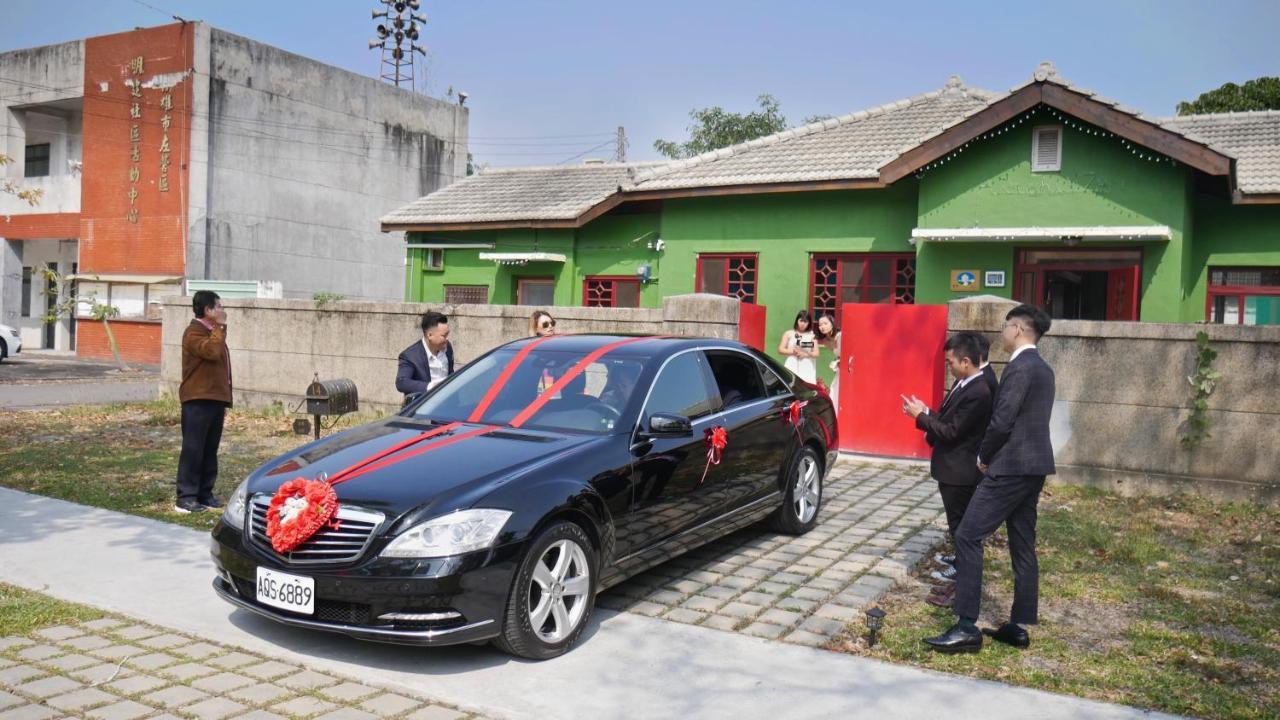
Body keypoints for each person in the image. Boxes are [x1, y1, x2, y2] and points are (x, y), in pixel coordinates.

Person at [924, 305, 1055, 654]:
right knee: (1022, 544)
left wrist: (984, 457)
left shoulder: (1018, 368)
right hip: (1036, 467)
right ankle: (1019, 625)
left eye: (1005, 326)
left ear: (1018, 329)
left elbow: (1002, 421)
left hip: (1009, 468)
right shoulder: (1044, 369)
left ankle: (966, 624)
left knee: (967, 535)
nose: (1002, 332)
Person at [901, 332, 994, 608]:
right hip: (952, 468)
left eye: (951, 362)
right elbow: (949, 418)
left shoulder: (979, 391)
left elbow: (952, 432)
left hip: (960, 470)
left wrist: (920, 418)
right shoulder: (965, 383)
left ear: (966, 361)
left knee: (961, 531)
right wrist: (926, 412)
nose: (949, 366)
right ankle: (959, 586)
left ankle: (961, 591)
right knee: (958, 529)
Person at [176, 291, 232, 514]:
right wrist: (220, 327)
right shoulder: (194, 332)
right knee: (193, 449)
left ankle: (205, 494)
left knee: (210, 449)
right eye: (218, 306)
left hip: (215, 399)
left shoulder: (210, 332)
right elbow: (211, 351)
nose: (222, 310)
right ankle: (186, 497)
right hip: (197, 399)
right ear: (208, 310)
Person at [396, 311, 454, 400]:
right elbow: (402, 382)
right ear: (430, 335)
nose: (447, 339)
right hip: (424, 407)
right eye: (444, 335)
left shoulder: (447, 347)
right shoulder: (411, 356)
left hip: (447, 404)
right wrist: (431, 386)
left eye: (447, 334)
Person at [778, 310, 818, 384]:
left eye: (805, 321)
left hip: (807, 366)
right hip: (791, 364)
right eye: (801, 320)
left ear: (809, 323)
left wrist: (805, 354)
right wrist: (793, 351)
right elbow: (780, 349)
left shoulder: (812, 336)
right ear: (797, 320)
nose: (803, 324)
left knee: (807, 387)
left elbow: (816, 353)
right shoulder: (789, 333)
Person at [816, 314, 842, 411]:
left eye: (825, 323)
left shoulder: (840, 336)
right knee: (835, 390)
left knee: (836, 389)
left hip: (847, 367)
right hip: (839, 368)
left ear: (832, 324)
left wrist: (837, 362)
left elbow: (845, 354)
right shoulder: (825, 341)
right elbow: (837, 355)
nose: (822, 326)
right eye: (820, 324)